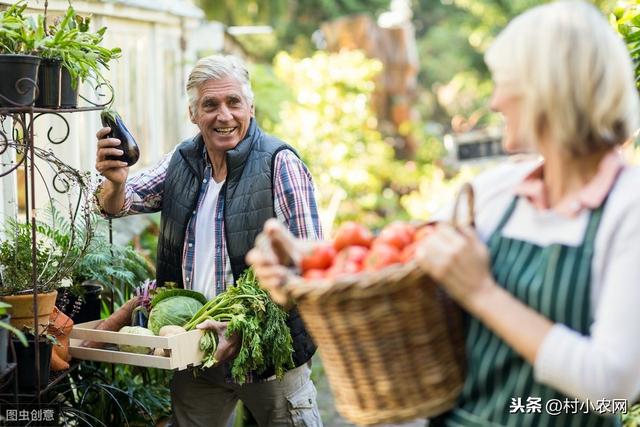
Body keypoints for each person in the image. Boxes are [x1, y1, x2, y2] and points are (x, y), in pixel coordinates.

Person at [247, 2, 640, 426]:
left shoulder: (627, 209)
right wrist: (307, 262)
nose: (495, 101)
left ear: (550, 92)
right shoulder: (498, 191)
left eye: (506, 85)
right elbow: (393, 259)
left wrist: (482, 293)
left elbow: (612, 387)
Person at [94, 54, 323, 427]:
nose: (224, 115)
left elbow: (311, 263)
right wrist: (116, 181)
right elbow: (119, 204)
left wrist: (241, 326)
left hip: (268, 352)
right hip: (195, 351)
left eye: (233, 102)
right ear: (193, 113)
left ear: (250, 106)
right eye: (210, 104)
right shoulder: (182, 161)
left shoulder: (280, 164)